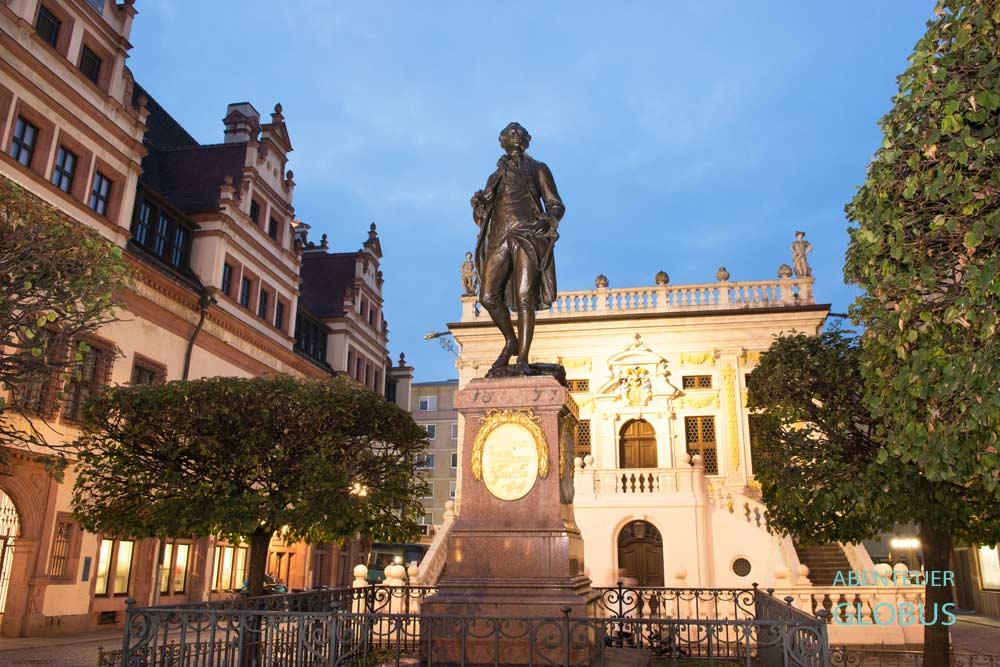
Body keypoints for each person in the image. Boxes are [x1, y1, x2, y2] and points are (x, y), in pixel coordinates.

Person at [470, 122, 565, 374]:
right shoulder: (495, 176)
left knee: (525, 297)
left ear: (527, 140)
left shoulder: (538, 168)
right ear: (502, 140)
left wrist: (547, 219)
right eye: (510, 133)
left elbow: (556, 204)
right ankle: (511, 340)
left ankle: (522, 358)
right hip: (499, 236)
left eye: (519, 132)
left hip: (527, 235)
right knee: (487, 296)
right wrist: (478, 204)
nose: (515, 135)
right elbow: (482, 217)